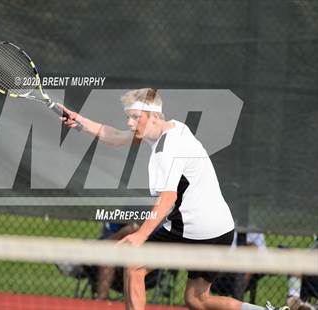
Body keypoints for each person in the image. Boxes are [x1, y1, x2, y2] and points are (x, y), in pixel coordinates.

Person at [59, 88, 289, 310]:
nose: (130, 123)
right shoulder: (176, 127)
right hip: (221, 230)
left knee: (135, 266)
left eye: (135, 117)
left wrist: (140, 234)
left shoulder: (166, 151)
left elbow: (168, 198)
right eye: (129, 117)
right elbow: (117, 137)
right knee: (197, 300)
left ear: (155, 116)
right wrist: (81, 121)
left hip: (192, 229)